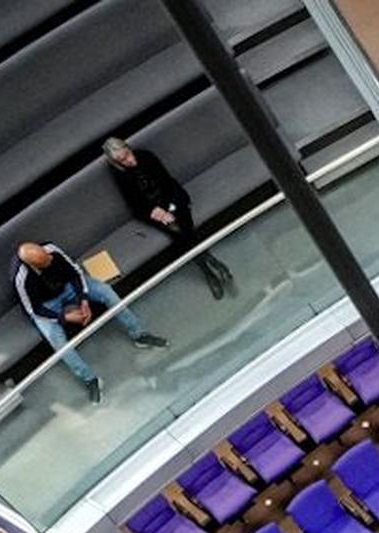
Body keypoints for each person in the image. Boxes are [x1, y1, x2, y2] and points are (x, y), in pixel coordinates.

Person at [12, 240, 164, 403]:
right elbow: (33, 310)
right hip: (47, 304)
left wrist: (83, 299)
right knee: (55, 338)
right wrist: (64, 317)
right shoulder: (21, 277)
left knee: (106, 291)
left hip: (67, 286)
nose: (50, 260)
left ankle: (139, 334)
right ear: (35, 266)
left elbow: (76, 273)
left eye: (48, 257)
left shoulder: (51, 250)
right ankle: (90, 379)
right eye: (46, 262)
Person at [102, 136, 230, 297]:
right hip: (151, 208)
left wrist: (169, 208)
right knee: (177, 231)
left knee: (182, 224)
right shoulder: (120, 174)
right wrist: (157, 212)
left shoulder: (146, 157)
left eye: (126, 155)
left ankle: (209, 266)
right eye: (121, 160)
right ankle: (209, 266)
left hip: (171, 197)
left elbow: (167, 182)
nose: (127, 161)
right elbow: (134, 202)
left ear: (128, 148)